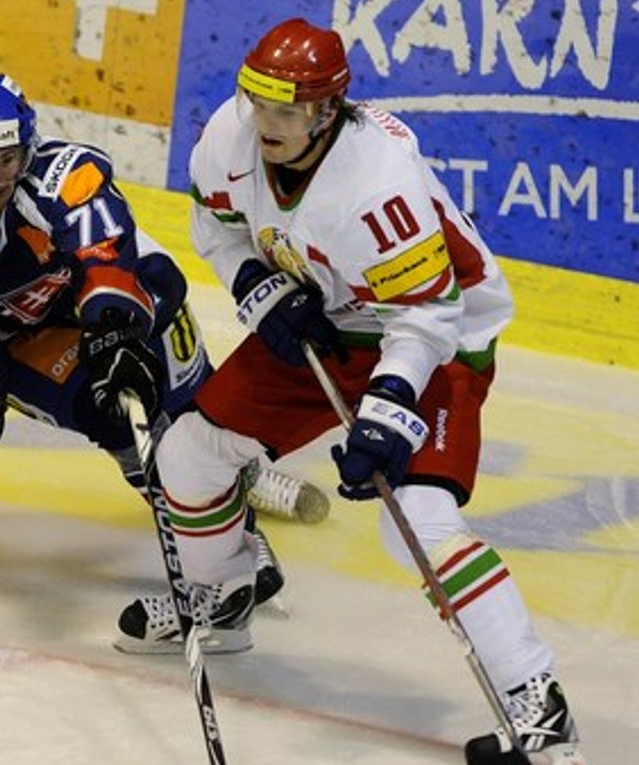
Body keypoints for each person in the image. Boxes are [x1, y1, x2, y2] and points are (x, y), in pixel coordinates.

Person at [156, 18, 585, 764]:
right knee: (188, 456)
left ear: (327, 111)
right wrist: (255, 282)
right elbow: (215, 227)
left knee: (416, 518)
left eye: (287, 110)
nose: (265, 123)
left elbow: (425, 317)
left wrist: (386, 413)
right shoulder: (231, 135)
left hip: (438, 332)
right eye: (258, 102)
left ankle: (536, 700)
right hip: (329, 319)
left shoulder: (376, 184)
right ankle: (224, 595)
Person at [0, 74, 329, 654]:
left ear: (27, 148)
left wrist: (115, 330)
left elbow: (106, 258)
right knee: (117, 419)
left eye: (6, 160)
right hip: (30, 340)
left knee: (196, 413)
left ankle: (237, 482)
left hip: (126, 296)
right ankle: (227, 562)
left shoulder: (67, 175)